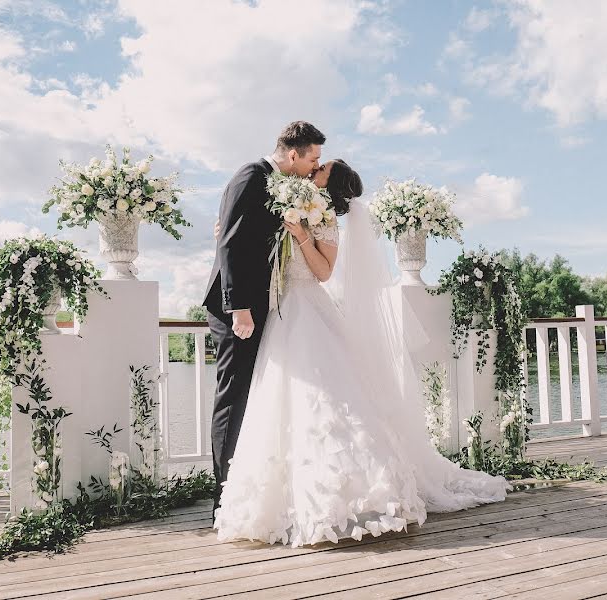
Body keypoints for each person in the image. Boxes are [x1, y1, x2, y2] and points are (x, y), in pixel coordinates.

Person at [213, 159, 510, 547]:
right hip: (281, 312)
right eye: (314, 165)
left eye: (319, 171)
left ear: (329, 184)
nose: (311, 172)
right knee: (280, 404)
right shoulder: (293, 206)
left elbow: (322, 272)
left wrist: (301, 233)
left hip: (309, 311)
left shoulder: (324, 220)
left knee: (330, 403)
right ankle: (284, 499)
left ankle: (354, 498)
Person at [202, 121, 325, 511]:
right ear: (293, 155)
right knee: (233, 395)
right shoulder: (250, 176)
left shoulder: (280, 185)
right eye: (312, 158)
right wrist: (238, 307)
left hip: (263, 304)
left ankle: (248, 484)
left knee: (255, 394)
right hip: (237, 308)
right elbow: (231, 242)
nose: (313, 167)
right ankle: (224, 493)